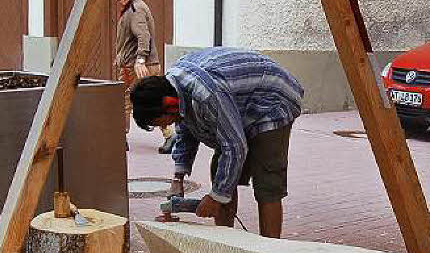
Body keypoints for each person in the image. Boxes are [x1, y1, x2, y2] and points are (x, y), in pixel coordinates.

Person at [129, 48, 304, 238]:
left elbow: (235, 147)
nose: (164, 126)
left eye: (161, 122)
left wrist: (216, 197)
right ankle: (226, 243)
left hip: (273, 99)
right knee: (220, 171)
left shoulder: (206, 95)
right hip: (239, 100)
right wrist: (178, 178)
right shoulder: (172, 90)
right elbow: (185, 130)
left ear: (170, 105)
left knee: (267, 180)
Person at [111, 0, 175, 153]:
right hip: (135, 65)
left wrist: (140, 59)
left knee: (137, 100)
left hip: (138, 67)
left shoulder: (135, 10)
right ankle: (169, 135)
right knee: (148, 99)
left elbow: (143, 36)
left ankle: (169, 135)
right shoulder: (133, 7)